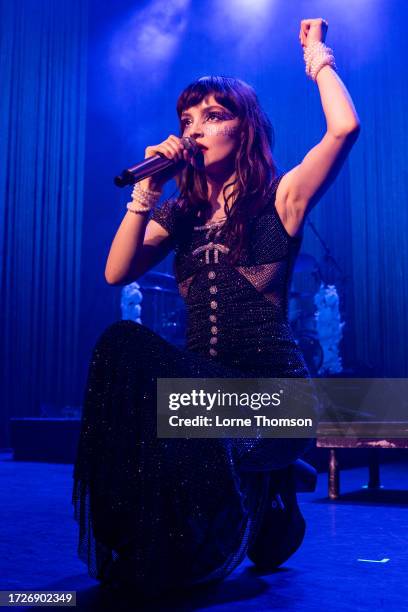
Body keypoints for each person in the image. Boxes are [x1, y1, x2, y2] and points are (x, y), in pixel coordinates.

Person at [72, 18, 360, 598]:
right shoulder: (178, 216)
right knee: (121, 345)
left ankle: (265, 488)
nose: (195, 129)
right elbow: (114, 272)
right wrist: (148, 190)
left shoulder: (281, 197)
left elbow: (345, 128)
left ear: (245, 128)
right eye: (186, 120)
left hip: (272, 396)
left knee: (181, 407)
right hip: (205, 391)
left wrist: (317, 55)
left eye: (213, 115)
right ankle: (257, 501)